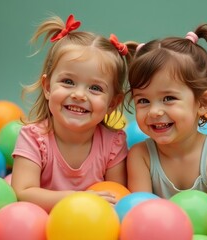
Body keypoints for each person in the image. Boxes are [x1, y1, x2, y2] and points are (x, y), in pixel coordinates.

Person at [11, 14, 130, 212]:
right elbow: (22, 192)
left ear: (113, 103)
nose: (79, 95)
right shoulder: (33, 138)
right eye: (68, 82)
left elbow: (117, 196)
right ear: (47, 87)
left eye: (95, 88)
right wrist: (79, 199)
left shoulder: (113, 144)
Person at [125, 24, 207, 199]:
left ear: (203, 102)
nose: (154, 112)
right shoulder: (140, 156)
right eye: (143, 100)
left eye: (169, 98)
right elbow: (141, 213)